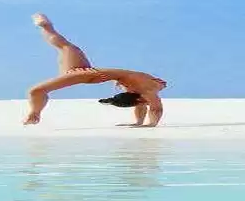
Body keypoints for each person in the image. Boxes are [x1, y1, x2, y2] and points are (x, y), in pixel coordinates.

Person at [22, 13, 167, 127]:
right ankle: (34, 114)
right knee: (36, 90)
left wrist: (139, 123)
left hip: (88, 73)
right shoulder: (146, 90)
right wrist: (151, 124)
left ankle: (46, 27)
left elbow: (143, 104)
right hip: (86, 73)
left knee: (67, 48)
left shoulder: (145, 86)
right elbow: (156, 108)